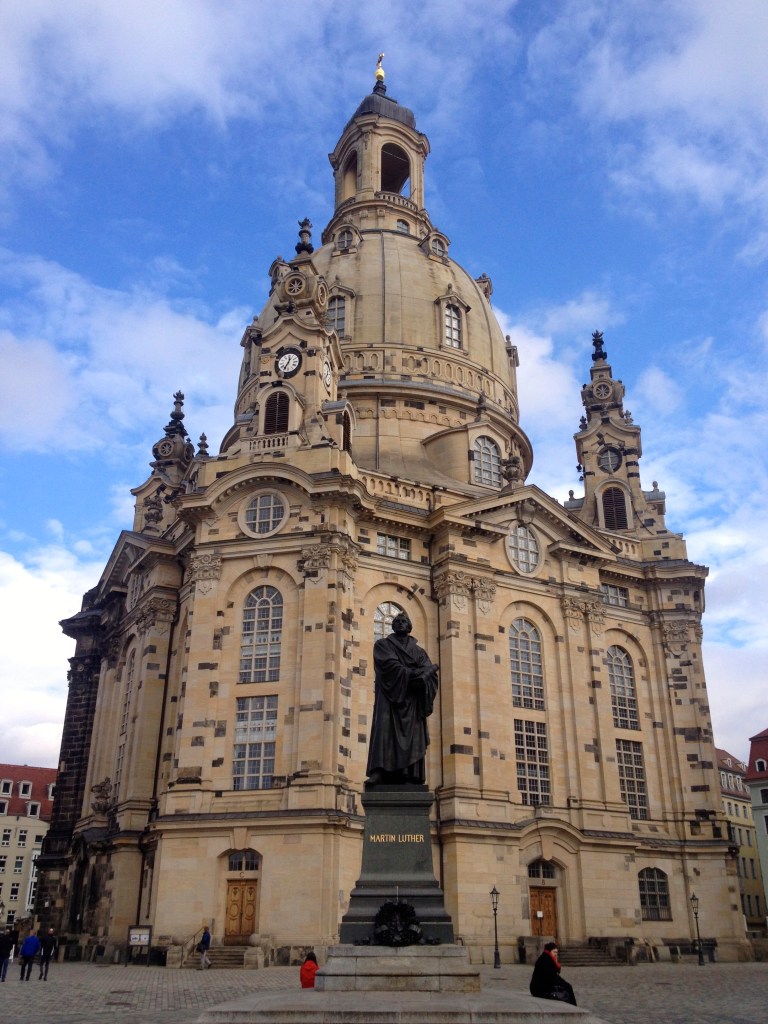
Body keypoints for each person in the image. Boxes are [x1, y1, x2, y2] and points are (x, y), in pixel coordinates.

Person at [366, 612, 439, 786]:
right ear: (392, 626)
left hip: (412, 701)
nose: (400, 623)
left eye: (404, 621)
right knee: (384, 731)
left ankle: (409, 774)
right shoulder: (383, 645)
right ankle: (380, 772)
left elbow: (430, 674)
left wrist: (423, 678)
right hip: (389, 698)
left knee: (413, 736)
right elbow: (387, 665)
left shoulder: (419, 651)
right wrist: (413, 673)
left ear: (409, 626)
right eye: (397, 621)